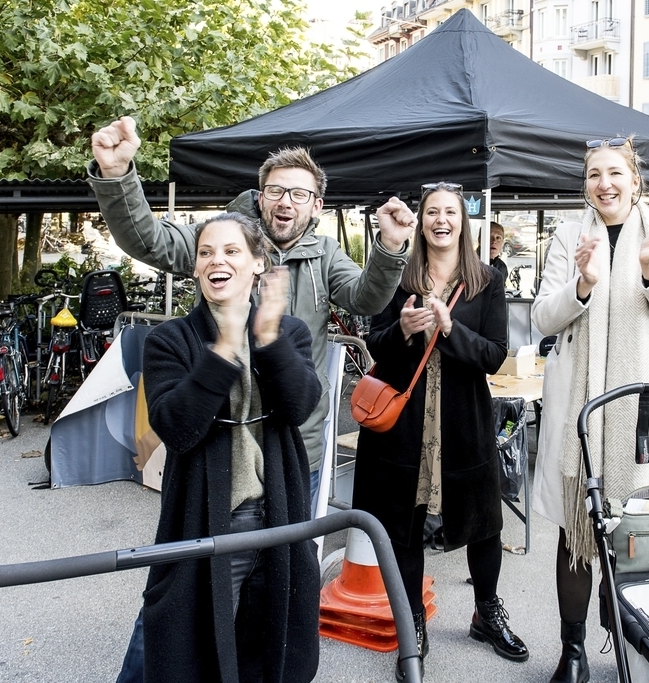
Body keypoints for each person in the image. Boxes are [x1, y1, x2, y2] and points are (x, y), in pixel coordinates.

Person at [88, 116, 415, 682]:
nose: (286, 201)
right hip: (211, 459)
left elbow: (365, 296)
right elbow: (150, 237)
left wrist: (388, 248)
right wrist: (119, 177)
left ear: (315, 204)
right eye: (276, 190)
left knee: (277, 594)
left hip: (295, 450)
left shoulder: (323, 255)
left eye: (300, 193)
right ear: (260, 197)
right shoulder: (224, 237)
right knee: (180, 600)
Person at [531, 137, 649, 683]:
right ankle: (572, 652)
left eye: (614, 173)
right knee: (576, 533)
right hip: (579, 412)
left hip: (641, 414)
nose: (604, 183)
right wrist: (582, 283)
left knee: (636, 530)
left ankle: (635, 641)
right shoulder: (569, 236)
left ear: (634, 180)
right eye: (594, 174)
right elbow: (543, 319)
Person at [352, 181, 527, 675]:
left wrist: (451, 329)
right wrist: (403, 332)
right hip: (405, 422)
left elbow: (494, 356)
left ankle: (486, 611)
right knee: (403, 524)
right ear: (422, 220)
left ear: (463, 221)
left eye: (450, 211)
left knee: (484, 521)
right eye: (432, 212)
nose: (441, 220)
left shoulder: (487, 280)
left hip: (463, 419)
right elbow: (375, 341)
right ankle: (413, 623)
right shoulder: (399, 274)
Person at [141, 213, 322, 682]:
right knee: (193, 651)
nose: (216, 261)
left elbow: (300, 405)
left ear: (258, 263)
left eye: (231, 251)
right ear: (196, 268)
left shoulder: (290, 332)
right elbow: (177, 428)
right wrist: (223, 348)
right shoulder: (170, 340)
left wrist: (266, 339)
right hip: (206, 517)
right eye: (206, 253)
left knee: (269, 650)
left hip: (280, 514)